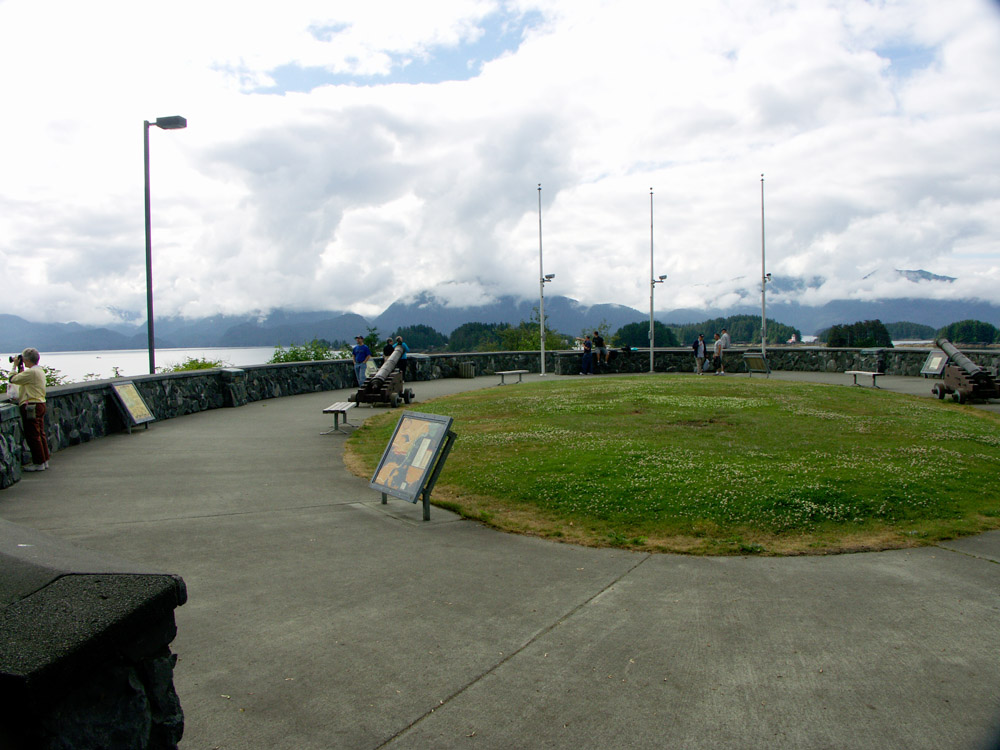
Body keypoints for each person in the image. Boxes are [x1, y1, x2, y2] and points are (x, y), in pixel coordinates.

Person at [8, 348, 50, 472]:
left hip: (31, 406)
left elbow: (13, 379)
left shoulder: (31, 373)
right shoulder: (39, 371)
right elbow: (23, 378)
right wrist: (20, 367)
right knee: (40, 434)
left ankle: (38, 463)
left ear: (27, 359)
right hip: (40, 403)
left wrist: (14, 366)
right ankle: (44, 460)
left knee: (33, 435)